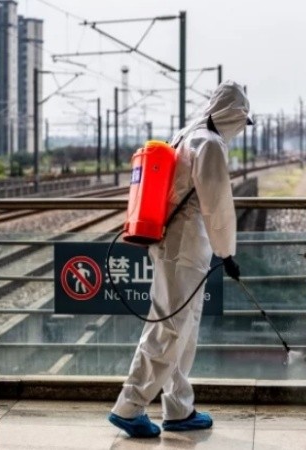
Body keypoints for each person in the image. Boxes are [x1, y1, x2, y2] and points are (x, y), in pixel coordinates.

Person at [108, 81, 250, 438]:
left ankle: (179, 407)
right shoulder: (210, 144)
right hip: (185, 248)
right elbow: (217, 205)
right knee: (169, 327)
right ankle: (129, 406)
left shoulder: (187, 134)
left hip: (173, 244)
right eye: (241, 121)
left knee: (182, 330)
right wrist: (227, 252)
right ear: (234, 116)